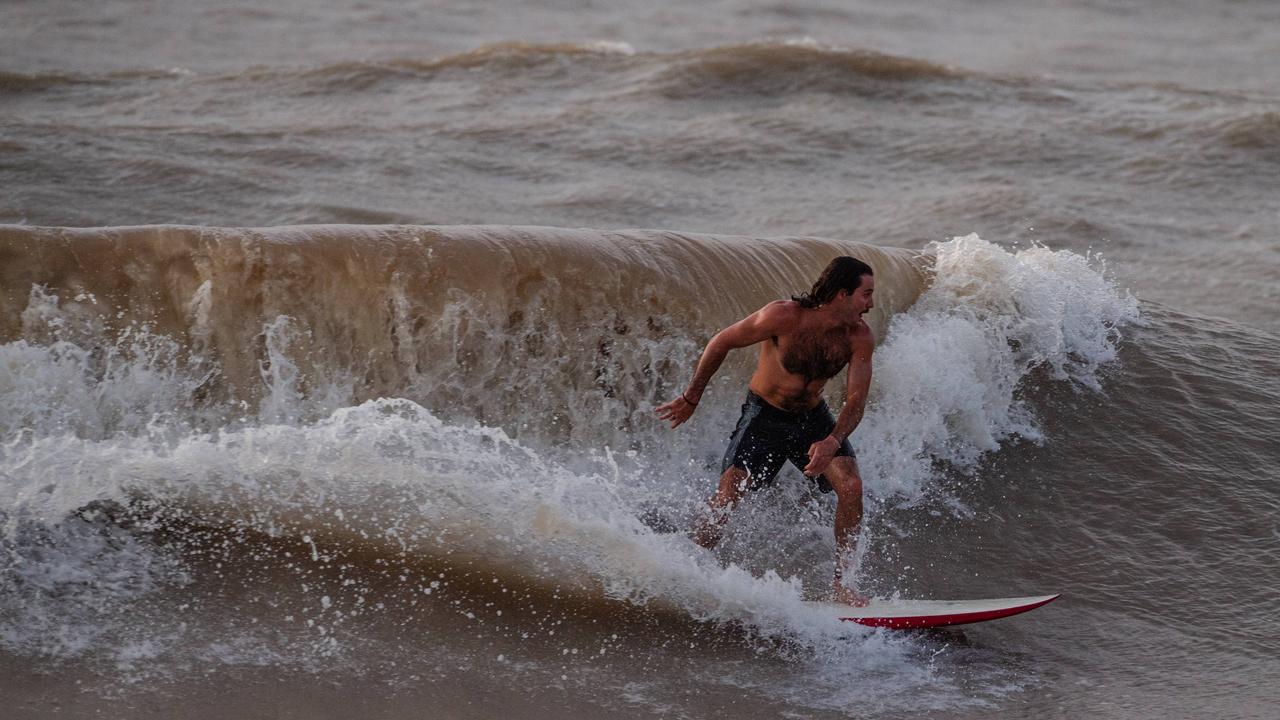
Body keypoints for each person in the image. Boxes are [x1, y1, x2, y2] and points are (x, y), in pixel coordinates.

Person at [655, 256, 876, 606]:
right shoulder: (783, 316)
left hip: (813, 419)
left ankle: (843, 584)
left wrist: (832, 441)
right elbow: (721, 342)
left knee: (851, 486)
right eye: (866, 294)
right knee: (729, 495)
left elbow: (856, 400)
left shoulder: (858, 337)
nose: (871, 304)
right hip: (764, 416)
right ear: (841, 294)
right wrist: (691, 396)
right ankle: (686, 567)